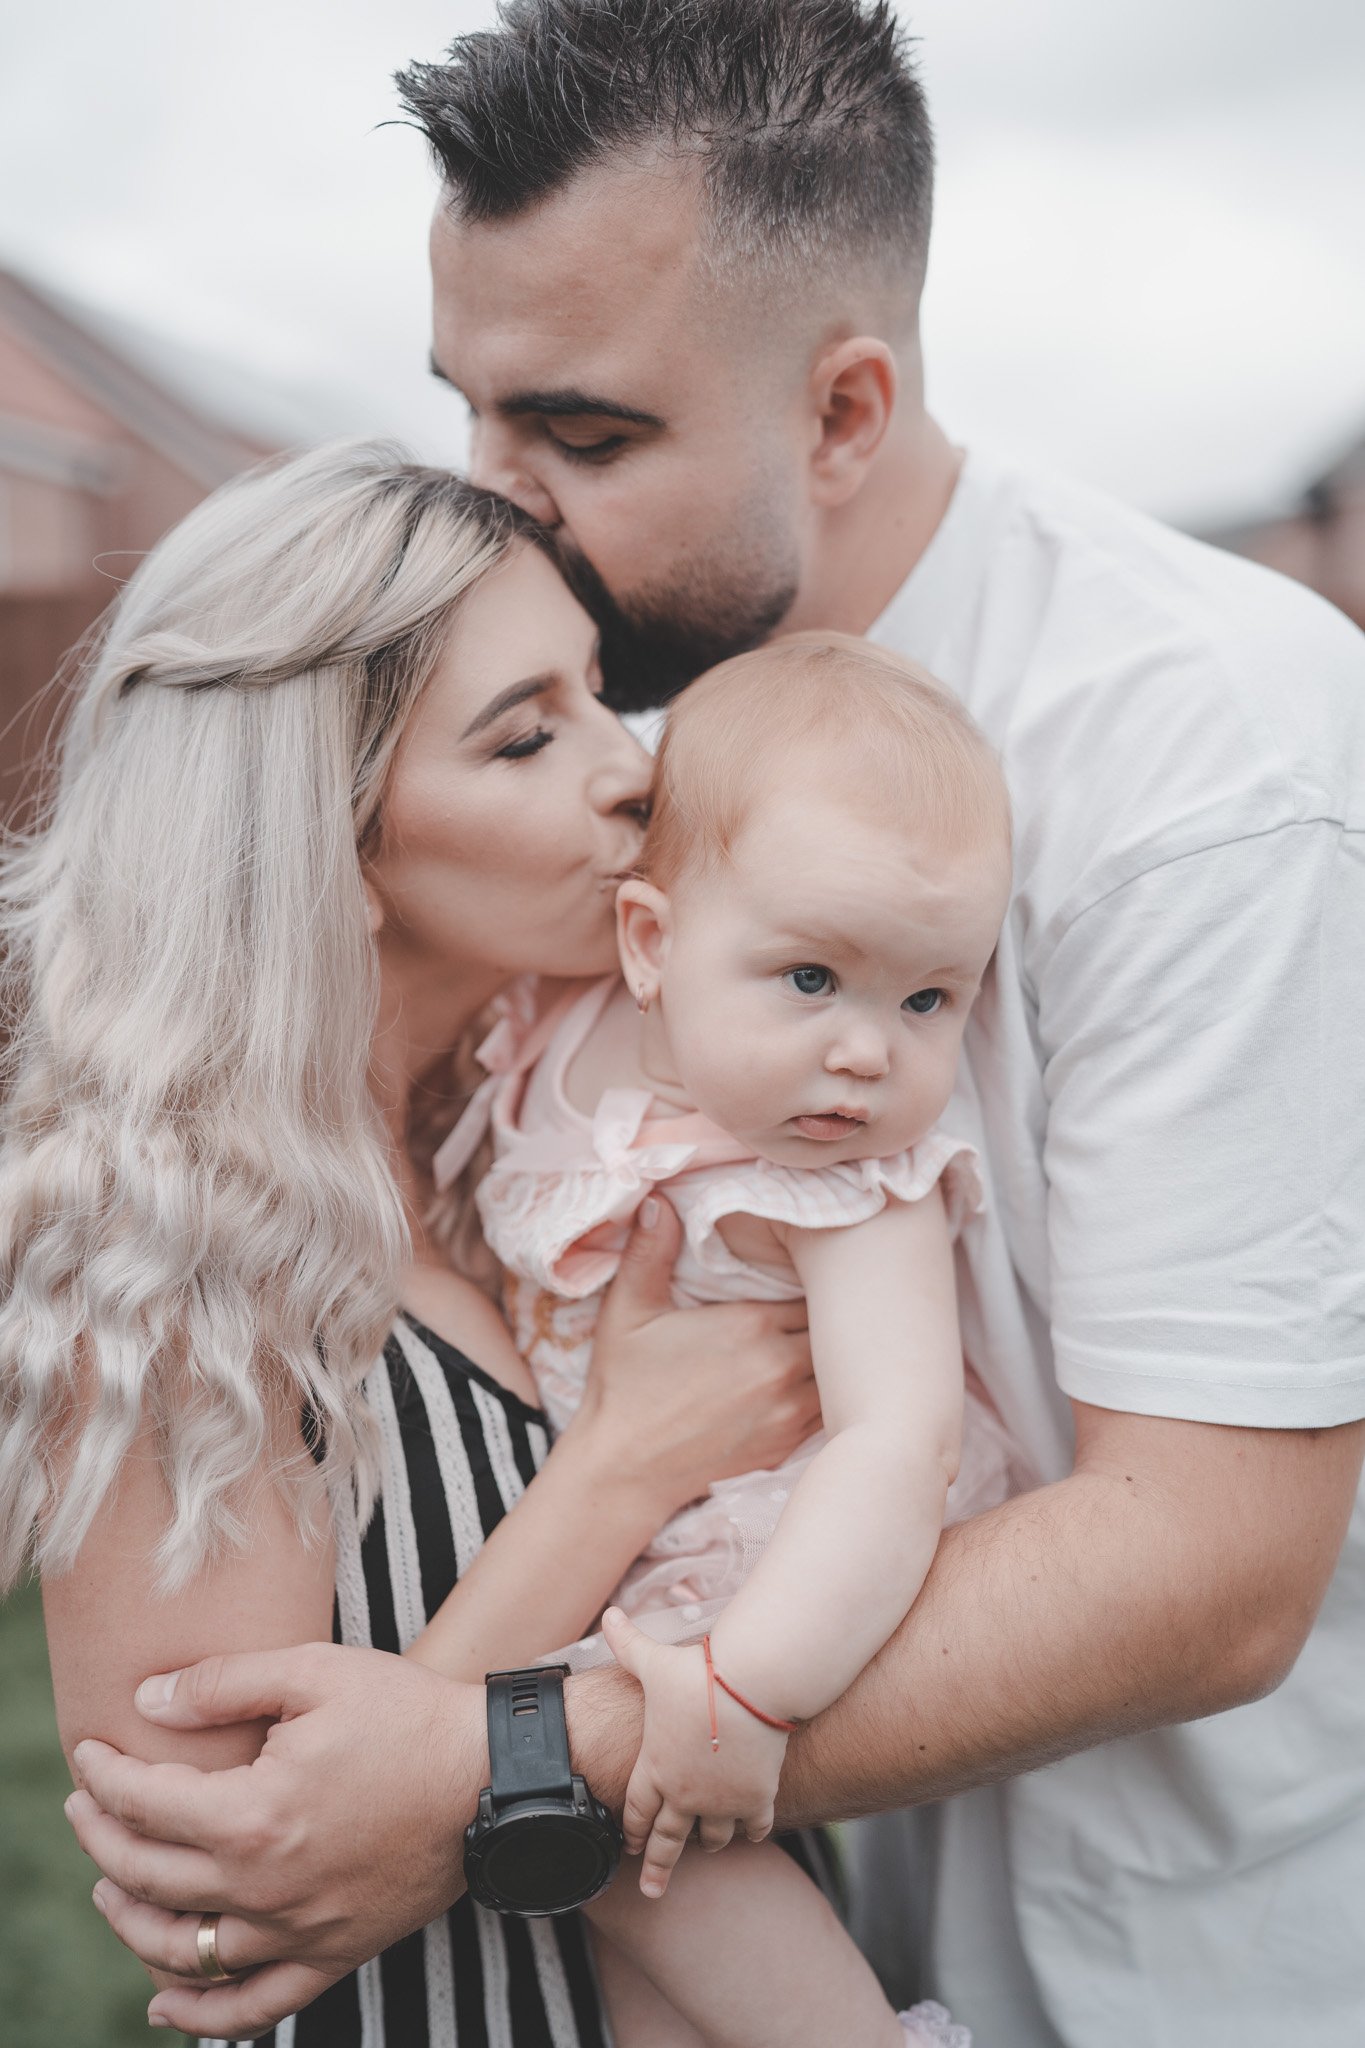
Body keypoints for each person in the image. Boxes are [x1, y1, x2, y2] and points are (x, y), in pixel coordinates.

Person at [63, 2, 1365, 2042]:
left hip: (1177, 1967)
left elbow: (1207, 1561)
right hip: (860, 1915)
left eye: (579, 433)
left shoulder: (1209, 763)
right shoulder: (644, 736)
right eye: (469, 408)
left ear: (841, 411)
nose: (500, 499)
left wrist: (490, 1759)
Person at [0, 437, 837, 2048]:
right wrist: (619, 1471)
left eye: (598, 692)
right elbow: (230, 1880)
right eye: (527, 737)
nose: (631, 766)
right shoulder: (180, 1259)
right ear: (334, 837)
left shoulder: (506, 1153)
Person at [410, 635, 1018, 2046]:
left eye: (928, 998)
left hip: (779, 1580)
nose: (869, 1052)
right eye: (810, 977)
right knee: (636, 1923)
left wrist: (747, 1687)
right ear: (648, 945)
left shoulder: (840, 1181)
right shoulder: (549, 1034)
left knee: (644, 1863)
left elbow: (898, 1436)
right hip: (638, 1558)